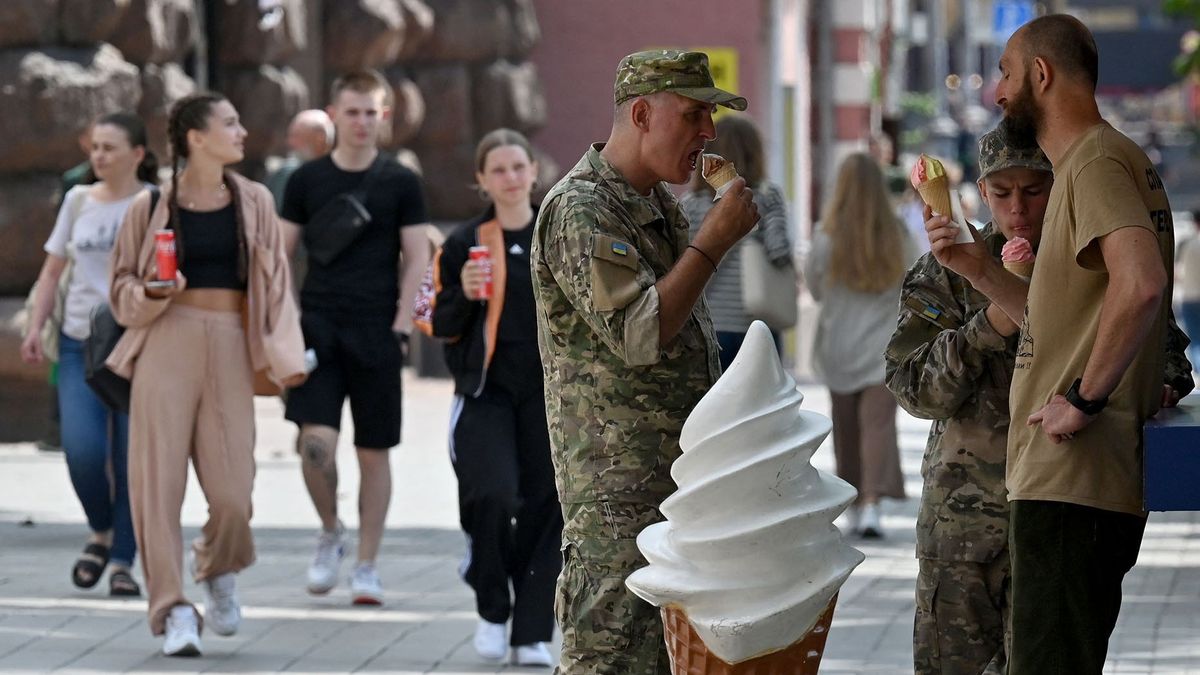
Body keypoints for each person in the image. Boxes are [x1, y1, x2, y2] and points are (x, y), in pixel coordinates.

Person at [924, 15, 1181, 672]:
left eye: (1007, 74)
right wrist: (979, 270)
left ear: (1041, 74)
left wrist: (1083, 398)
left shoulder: (1093, 160)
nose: (998, 92)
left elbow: (1142, 282)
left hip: (1072, 482)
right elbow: (1059, 320)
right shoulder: (1108, 161)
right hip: (1074, 485)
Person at [532, 50, 759, 674]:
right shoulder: (583, 208)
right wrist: (712, 242)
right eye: (693, 115)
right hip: (618, 506)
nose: (709, 133)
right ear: (641, 114)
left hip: (678, 492)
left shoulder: (655, 204)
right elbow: (640, 335)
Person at [108, 92, 307, 657]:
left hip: (229, 346)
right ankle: (172, 610)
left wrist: (287, 358)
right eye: (230, 123)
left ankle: (219, 566)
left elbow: (275, 288)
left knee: (233, 493)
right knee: (157, 489)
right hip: (164, 341)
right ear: (196, 137)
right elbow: (119, 290)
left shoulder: (255, 201)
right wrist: (150, 291)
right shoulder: (149, 208)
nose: (242, 131)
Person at [280, 69, 432, 606]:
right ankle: (330, 530)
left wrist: (400, 324)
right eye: (353, 111)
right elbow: (280, 255)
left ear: (383, 115)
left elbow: (417, 256)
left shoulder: (400, 181)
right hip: (317, 324)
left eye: (372, 111)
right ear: (334, 114)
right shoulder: (305, 181)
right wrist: (287, 322)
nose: (363, 121)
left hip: (376, 329)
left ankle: (367, 564)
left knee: (374, 451)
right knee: (314, 444)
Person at [420, 128, 561, 667]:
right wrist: (465, 293)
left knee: (547, 508)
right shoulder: (464, 242)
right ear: (481, 180)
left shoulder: (556, 233)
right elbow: (426, 312)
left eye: (517, 167)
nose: (509, 178)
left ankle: (531, 632)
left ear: (533, 172)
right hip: (485, 397)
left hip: (548, 398)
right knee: (493, 497)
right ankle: (490, 608)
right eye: (497, 169)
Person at [20, 112, 157, 598]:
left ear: (137, 154)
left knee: (129, 460)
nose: (98, 156)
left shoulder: (153, 204)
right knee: (82, 451)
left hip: (136, 346)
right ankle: (100, 530)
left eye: (110, 147)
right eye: (94, 146)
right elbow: (53, 271)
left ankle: (123, 559)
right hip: (80, 343)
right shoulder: (78, 200)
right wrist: (36, 328)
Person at [804, 152, 915, 539]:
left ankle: (851, 502)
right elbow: (914, 282)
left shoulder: (826, 235)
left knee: (845, 427)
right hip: (883, 345)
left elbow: (815, 288)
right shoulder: (897, 233)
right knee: (878, 427)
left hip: (839, 344)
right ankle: (871, 505)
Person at [679, 114, 793, 368]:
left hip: (709, 326)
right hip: (760, 326)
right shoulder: (767, 195)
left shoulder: (690, 204)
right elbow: (779, 251)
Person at [264, 109, 334, 210]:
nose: (290, 142)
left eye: (296, 135)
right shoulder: (287, 173)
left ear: (320, 138)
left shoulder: (340, 170)